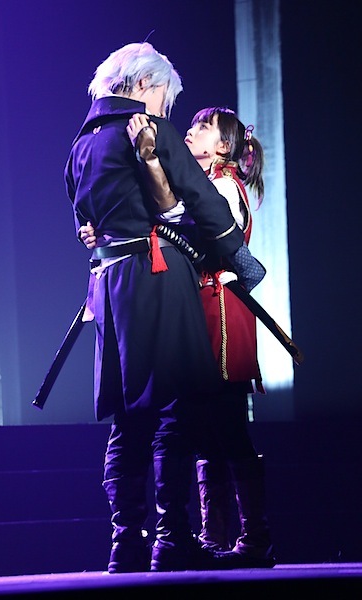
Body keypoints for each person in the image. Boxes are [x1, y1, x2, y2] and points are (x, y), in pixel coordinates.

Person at [65, 41, 266, 574]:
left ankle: (126, 542)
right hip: (156, 280)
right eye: (164, 96)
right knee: (175, 407)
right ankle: (172, 538)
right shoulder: (150, 131)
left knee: (128, 415)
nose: (164, 108)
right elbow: (203, 201)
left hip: (108, 287)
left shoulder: (81, 145)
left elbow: (82, 217)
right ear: (144, 85)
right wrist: (243, 262)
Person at [120, 106, 276, 568]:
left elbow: (199, 234)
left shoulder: (223, 186)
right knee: (207, 430)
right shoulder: (206, 182)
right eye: (190, 126)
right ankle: (217, 536)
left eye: (202, 128)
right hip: (202, 308)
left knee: (226, 425)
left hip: (220, 312)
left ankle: (253, 537)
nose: (190, 132)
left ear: (223, 146)